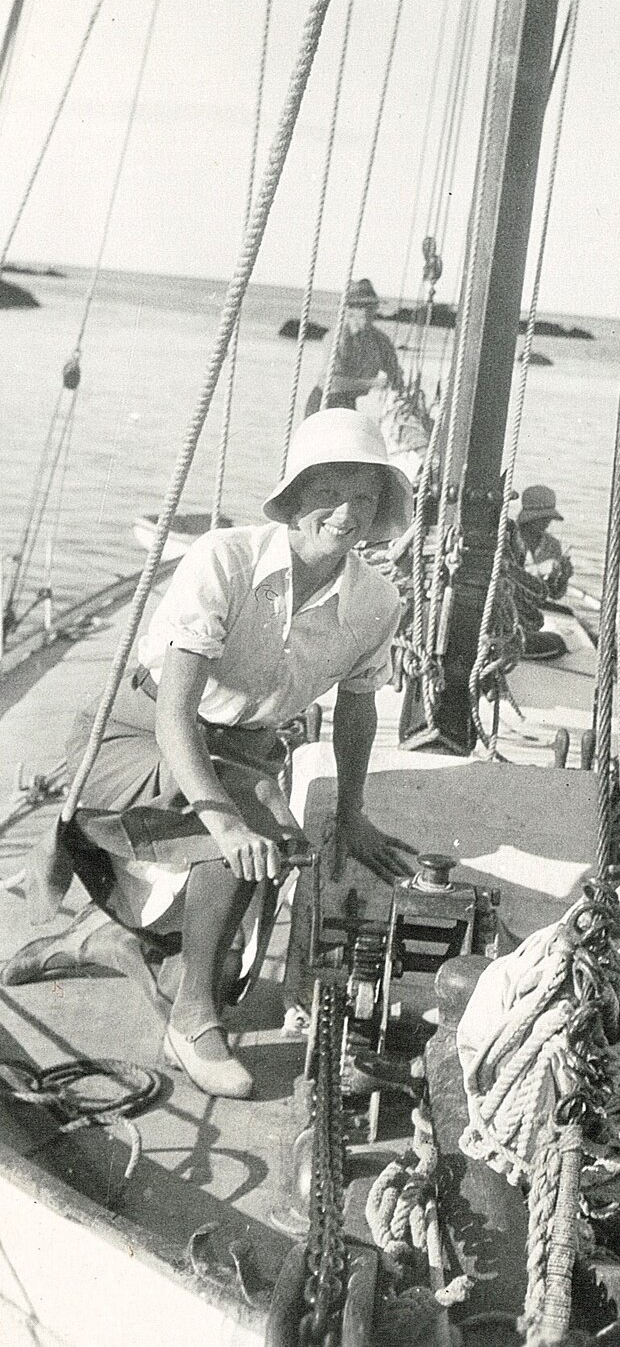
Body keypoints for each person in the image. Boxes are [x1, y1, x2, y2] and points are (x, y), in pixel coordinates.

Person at [4, 410, 415, 1100]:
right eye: (331, 492)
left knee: (257, 877)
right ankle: (192, 1021)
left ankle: (107, 945)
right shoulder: (225, 559)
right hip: (134, 734)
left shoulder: (377, 603)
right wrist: (225, 819)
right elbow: (173, 715)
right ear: (296, 493)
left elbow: (356, 707)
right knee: (246, 835)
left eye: (366, 499)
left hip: (240, 753)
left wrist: (354, 815)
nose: (345, 514)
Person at [304, 278, 403, 414]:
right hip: (324, 402)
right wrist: (372, 383)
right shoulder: (336, 337)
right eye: (360, 306)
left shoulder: (380, 340)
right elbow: (331, 383)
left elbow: (394, 370)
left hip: (349, 403)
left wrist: (397, 381)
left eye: (371, 306)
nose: (366, 311)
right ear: (349, 309)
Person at [516, 485, 573, 602]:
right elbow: (504, 575)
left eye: (549, 517)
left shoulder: (552, 545)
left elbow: (553, 594)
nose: (548, 522)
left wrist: (563, 577)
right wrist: (538, 570)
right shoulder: (508, 538)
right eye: (543, 517)